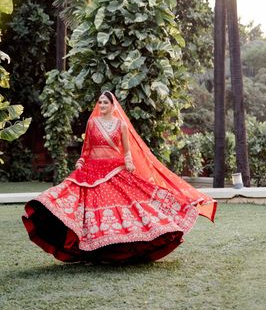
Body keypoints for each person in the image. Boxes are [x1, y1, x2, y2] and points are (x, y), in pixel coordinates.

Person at [22, 90, 217, 264]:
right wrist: (81, 161)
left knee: (131, 203)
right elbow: (87, 148)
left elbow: (126, 150)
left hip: (115, 169)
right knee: (75, 201)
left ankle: (125, 249)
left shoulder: (120, 125)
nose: (102, 105)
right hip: (92, 171)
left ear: (113, 105)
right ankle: (94, 251)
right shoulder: (92, 123)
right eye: (100, 102)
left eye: (105, 102)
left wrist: (129, 162)